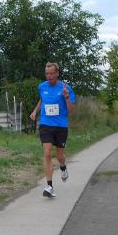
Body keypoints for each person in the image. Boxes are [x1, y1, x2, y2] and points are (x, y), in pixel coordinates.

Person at [29, 62, 76, 198]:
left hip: (61, 126)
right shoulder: (42, 86)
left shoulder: (65, 88)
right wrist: (35, 111)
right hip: (46, 124)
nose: (49, 76)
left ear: (57, 73)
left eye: (51, 73)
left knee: (59, 156)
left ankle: (63, 166)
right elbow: (42, 100)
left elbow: (72, 110)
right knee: (47, 153)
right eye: (47, 74)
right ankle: (49, 186)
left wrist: (66, 97)